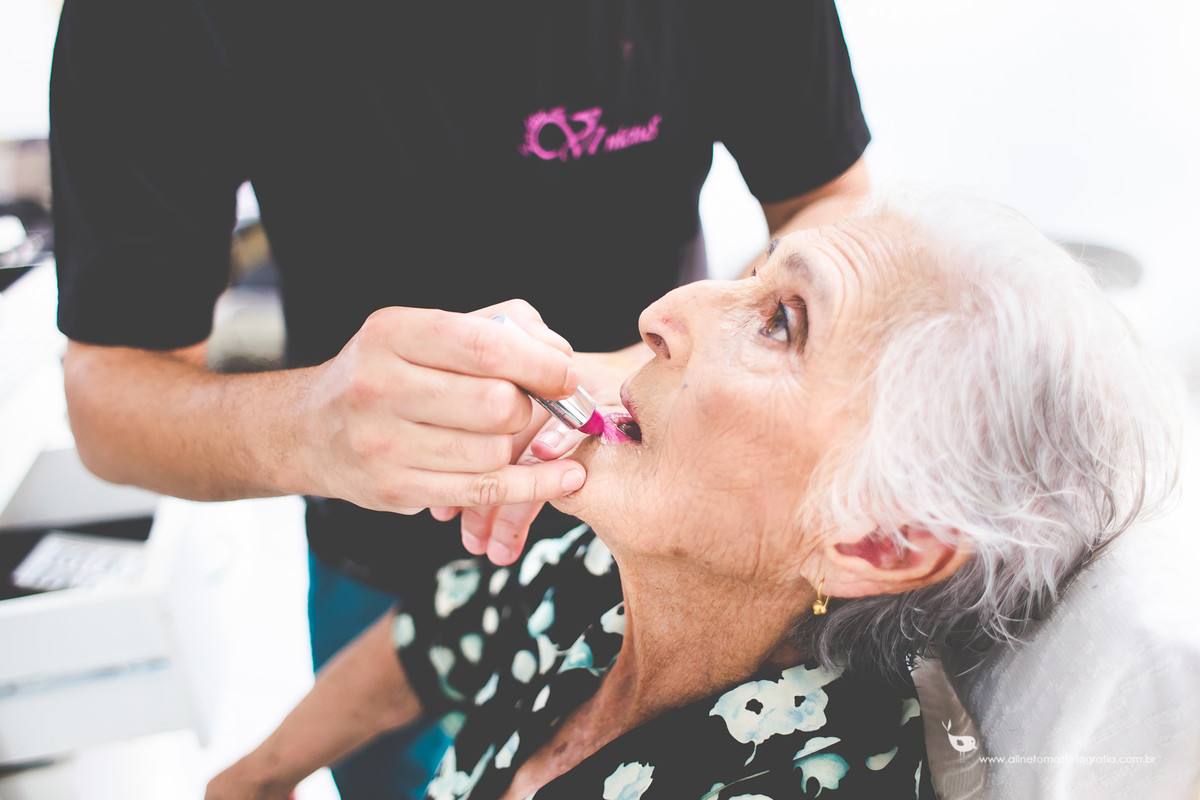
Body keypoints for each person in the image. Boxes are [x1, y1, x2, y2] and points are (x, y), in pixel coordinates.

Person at [48, 0, 872, 795]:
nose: (665, 312)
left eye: (777, 319)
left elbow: (834, 203)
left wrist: (615, 372)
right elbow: (108, 398)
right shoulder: (520, 595)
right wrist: (309, 427)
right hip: (383, 556)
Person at [203, 190, 1181, 799]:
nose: (664, 313)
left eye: (782, 321)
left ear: (879, 541)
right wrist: (259, 771)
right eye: (745, 276)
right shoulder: (591, 565)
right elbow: (433, 639)